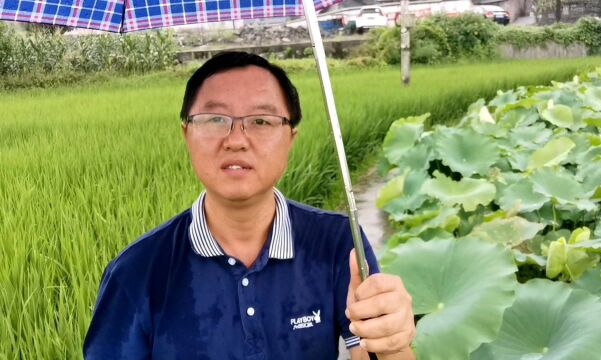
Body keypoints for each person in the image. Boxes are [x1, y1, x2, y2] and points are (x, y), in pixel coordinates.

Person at [84, 51, 415, 359]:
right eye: (214, 119)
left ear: (290, 138)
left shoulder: (338, 243)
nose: (236, 140)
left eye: (261, 121)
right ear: (187, 134)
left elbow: (368, 351)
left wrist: (393, 345)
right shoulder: (136, 272)